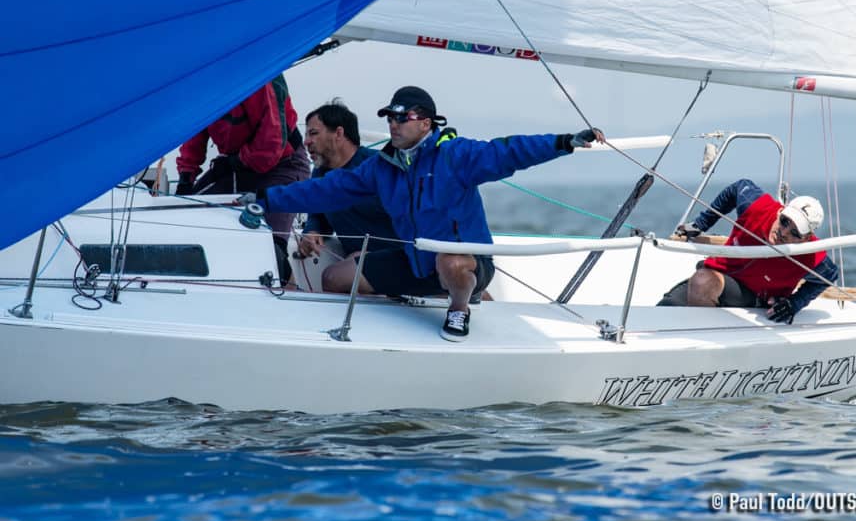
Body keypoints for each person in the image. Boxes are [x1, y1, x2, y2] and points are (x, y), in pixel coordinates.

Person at [244, 85, 604, 342]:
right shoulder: (381, 167)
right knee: (337, 277)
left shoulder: (457, 155)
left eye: (404, 117)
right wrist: (268, 199)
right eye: (389, 118)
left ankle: (460, 308)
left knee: (451, 261)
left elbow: (509, 151)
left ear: (426, 123)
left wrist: (563, 142)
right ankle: (383, 333)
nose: (394, 124)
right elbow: (326, 189)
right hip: (415, 263)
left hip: (466, 263)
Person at [175, 75, 310, 281]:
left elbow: (270, 146)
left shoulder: (260, 77)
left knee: (272, 249)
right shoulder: (203, 80)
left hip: (283, 164)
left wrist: (233, 163)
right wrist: (186, 177)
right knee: (184, 213)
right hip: (237, 165)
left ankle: (291, 292)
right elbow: (196, 131)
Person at [658, 178, 838, 323]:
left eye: (794, 233)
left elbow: (830, 275)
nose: (782, 233)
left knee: (702, 281)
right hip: (721, 277)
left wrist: (794, 304)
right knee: (662, 312)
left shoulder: (810, 253)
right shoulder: (758, 207)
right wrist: (702, 223)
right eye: (784, 221)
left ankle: (708, 355)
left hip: (756, 298)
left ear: (806, 239)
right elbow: (738, 187)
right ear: (780, 212)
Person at [297, 99, 399, 261]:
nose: (306, 141)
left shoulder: (383, 168)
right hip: (360, 263)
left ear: (338, 134)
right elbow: (318, 216)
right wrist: (313, 231)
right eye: (306, 135)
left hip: (405, 262)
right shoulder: (320, 173)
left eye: (313, 133)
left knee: (332, 278)